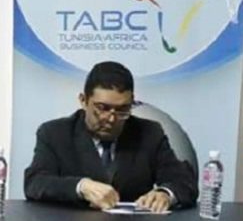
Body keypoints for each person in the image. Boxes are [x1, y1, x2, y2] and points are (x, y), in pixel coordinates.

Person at [23, 60, 197, 212]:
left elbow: (184, 182)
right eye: (102, 108)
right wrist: (81, 186)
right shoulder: (55, 133)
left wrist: (165, 194)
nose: (111, 119)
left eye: (122, 110)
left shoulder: (149, 133)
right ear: (83, 100)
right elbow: (35, 182)